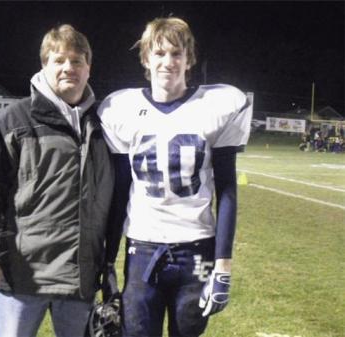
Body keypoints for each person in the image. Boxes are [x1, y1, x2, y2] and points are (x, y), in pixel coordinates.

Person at [97, 17, 252, 337]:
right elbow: (120, 190)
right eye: (159, 53)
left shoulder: (216, 105)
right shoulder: (120, 108)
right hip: (142, 250)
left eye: (177, 53)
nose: (168, 62)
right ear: (146, 58)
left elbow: (226, 190)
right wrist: (109, 259)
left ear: (189, 58)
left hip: (197, 253)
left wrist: (223, 265)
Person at [0, 24, 117, 337]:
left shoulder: (107, 125)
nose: (68, 68)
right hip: (22, 277)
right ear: (44, 65)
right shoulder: (14, 120)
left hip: (81, 277)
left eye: (77, 61)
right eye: (58, 60)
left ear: (88, 67)